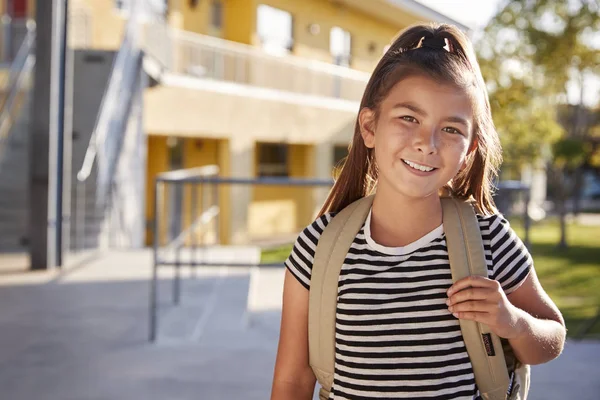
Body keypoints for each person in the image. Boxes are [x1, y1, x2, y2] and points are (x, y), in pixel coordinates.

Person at [270, 23, 565, 400]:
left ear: (469, 150)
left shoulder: (489, 240)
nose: (426, 143)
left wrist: (513, 322)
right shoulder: (317, 248)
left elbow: (551, 337)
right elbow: (293, 379)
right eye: (409, 118)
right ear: (369, 126)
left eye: (451, 130)